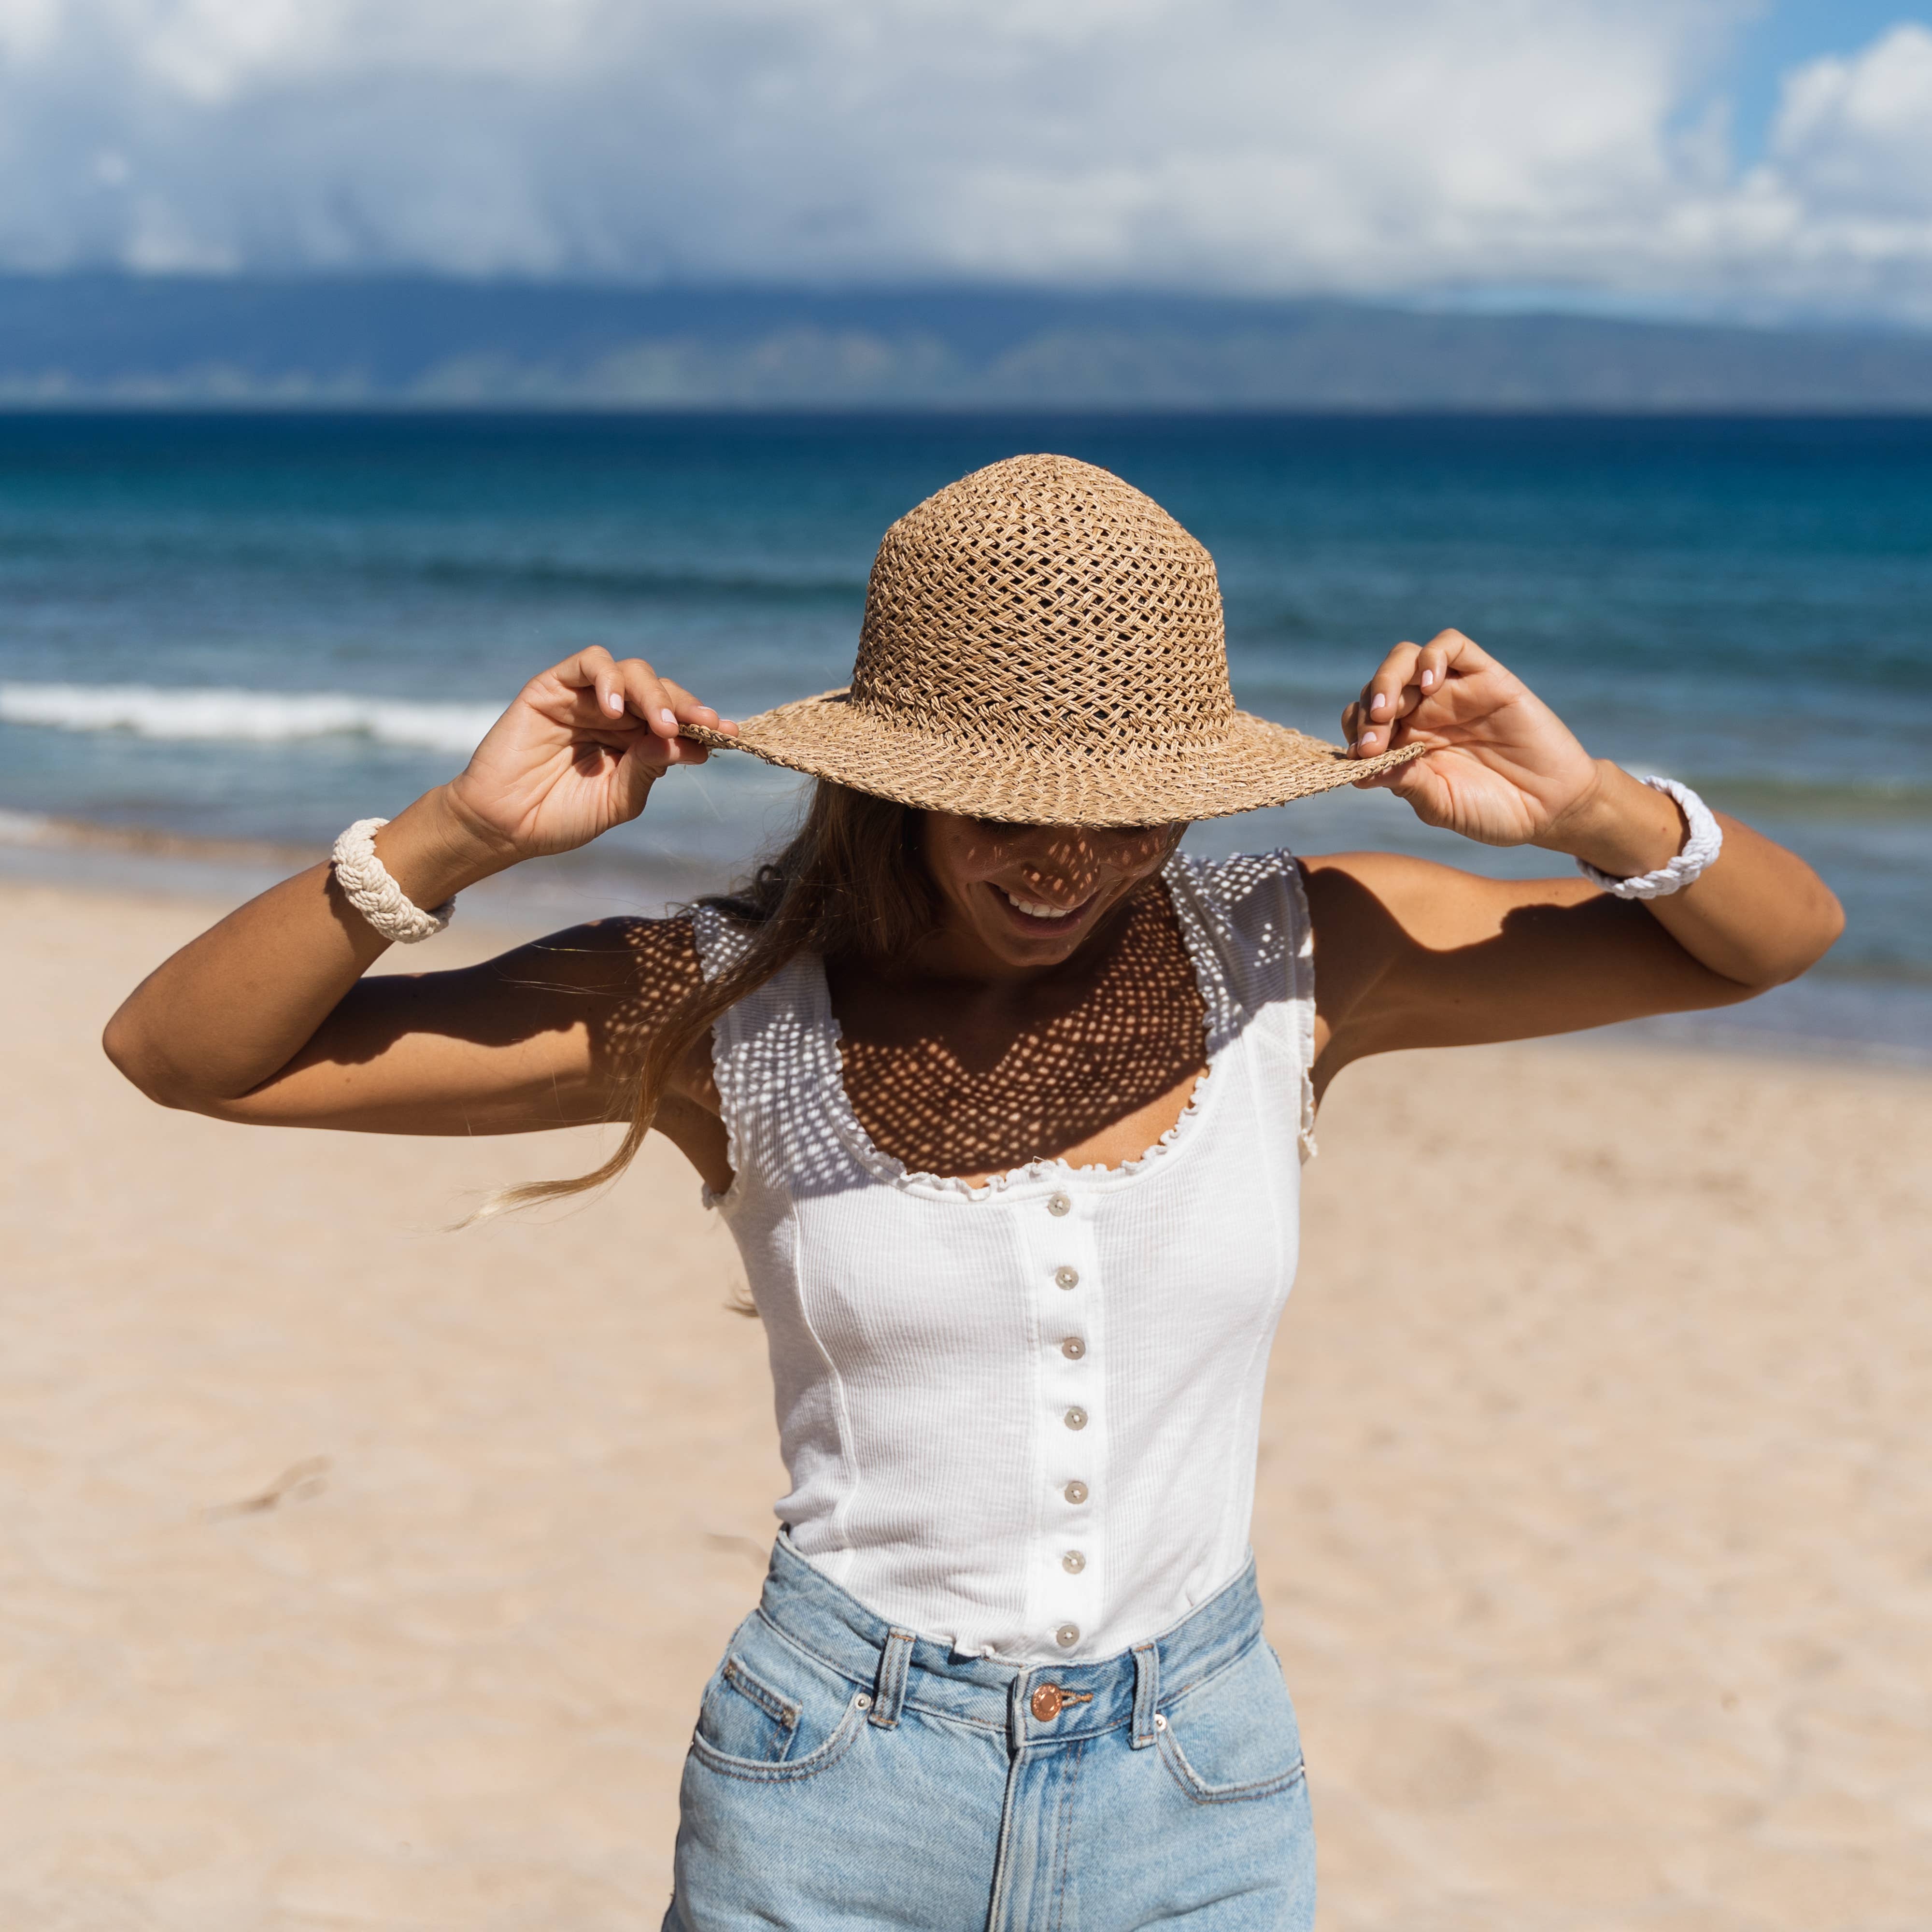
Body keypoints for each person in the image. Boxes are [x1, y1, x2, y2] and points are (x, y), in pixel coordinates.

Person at [103, 455, 1843, 1931]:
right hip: (830, 1788)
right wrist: (457, 835)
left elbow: (1768, 946)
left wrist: (1593, 804)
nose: (1060, 862)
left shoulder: (1300, 955)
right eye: (1002, 806)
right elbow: (187, 1054)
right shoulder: (721, 1007)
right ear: (892, 777)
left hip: (1204, 1788)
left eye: (1126, 811)